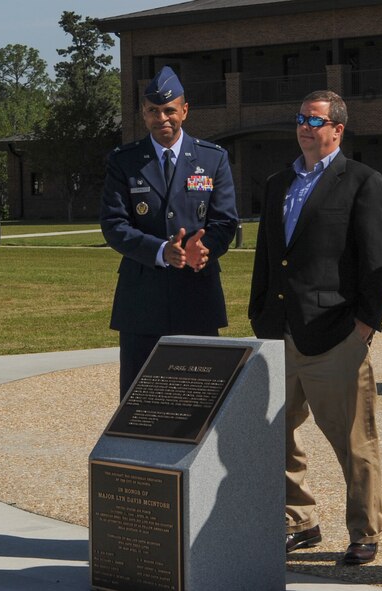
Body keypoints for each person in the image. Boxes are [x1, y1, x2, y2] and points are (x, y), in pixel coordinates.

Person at [248, 90, 382, 565]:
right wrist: (259, 314)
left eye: (315, 120)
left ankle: (364, 533)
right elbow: (269, 257)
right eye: (300, 118)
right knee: (276, 434)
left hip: (334, 335)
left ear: (337, 129)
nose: (305, 127)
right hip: (280, 332)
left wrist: (364, 327)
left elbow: (379, 260)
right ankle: (299, 520)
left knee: (353, 441)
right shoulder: (278, 183)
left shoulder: (362, 182)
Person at [100, 66, 238, 400]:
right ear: (143, 115)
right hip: (141, 304)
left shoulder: (212, 158)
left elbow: (225, 221)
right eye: (152, 111)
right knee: (140, 401)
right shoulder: (124, 161)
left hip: (197, 299)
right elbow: (114, 225)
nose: (161, 118)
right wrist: (162, 251)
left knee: (201, 400)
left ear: (185, 110)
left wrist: (204, 249)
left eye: (169, 110)